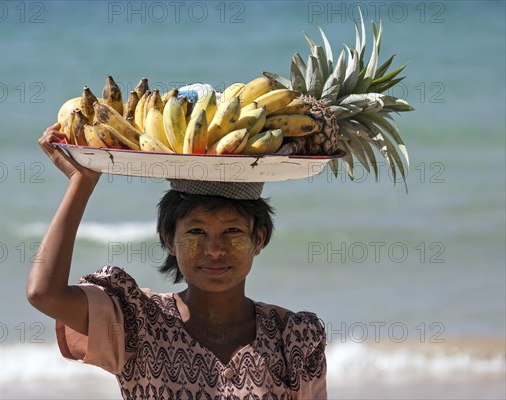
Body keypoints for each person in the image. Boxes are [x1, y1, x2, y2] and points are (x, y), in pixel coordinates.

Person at [27, 123, 327, 399]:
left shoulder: (293, 338)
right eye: (196, 231)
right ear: (170, 239)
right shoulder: (137, 323)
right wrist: (82, 182)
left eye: (232, 231)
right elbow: (44, 293)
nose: (214, 250)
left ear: (258, 238)